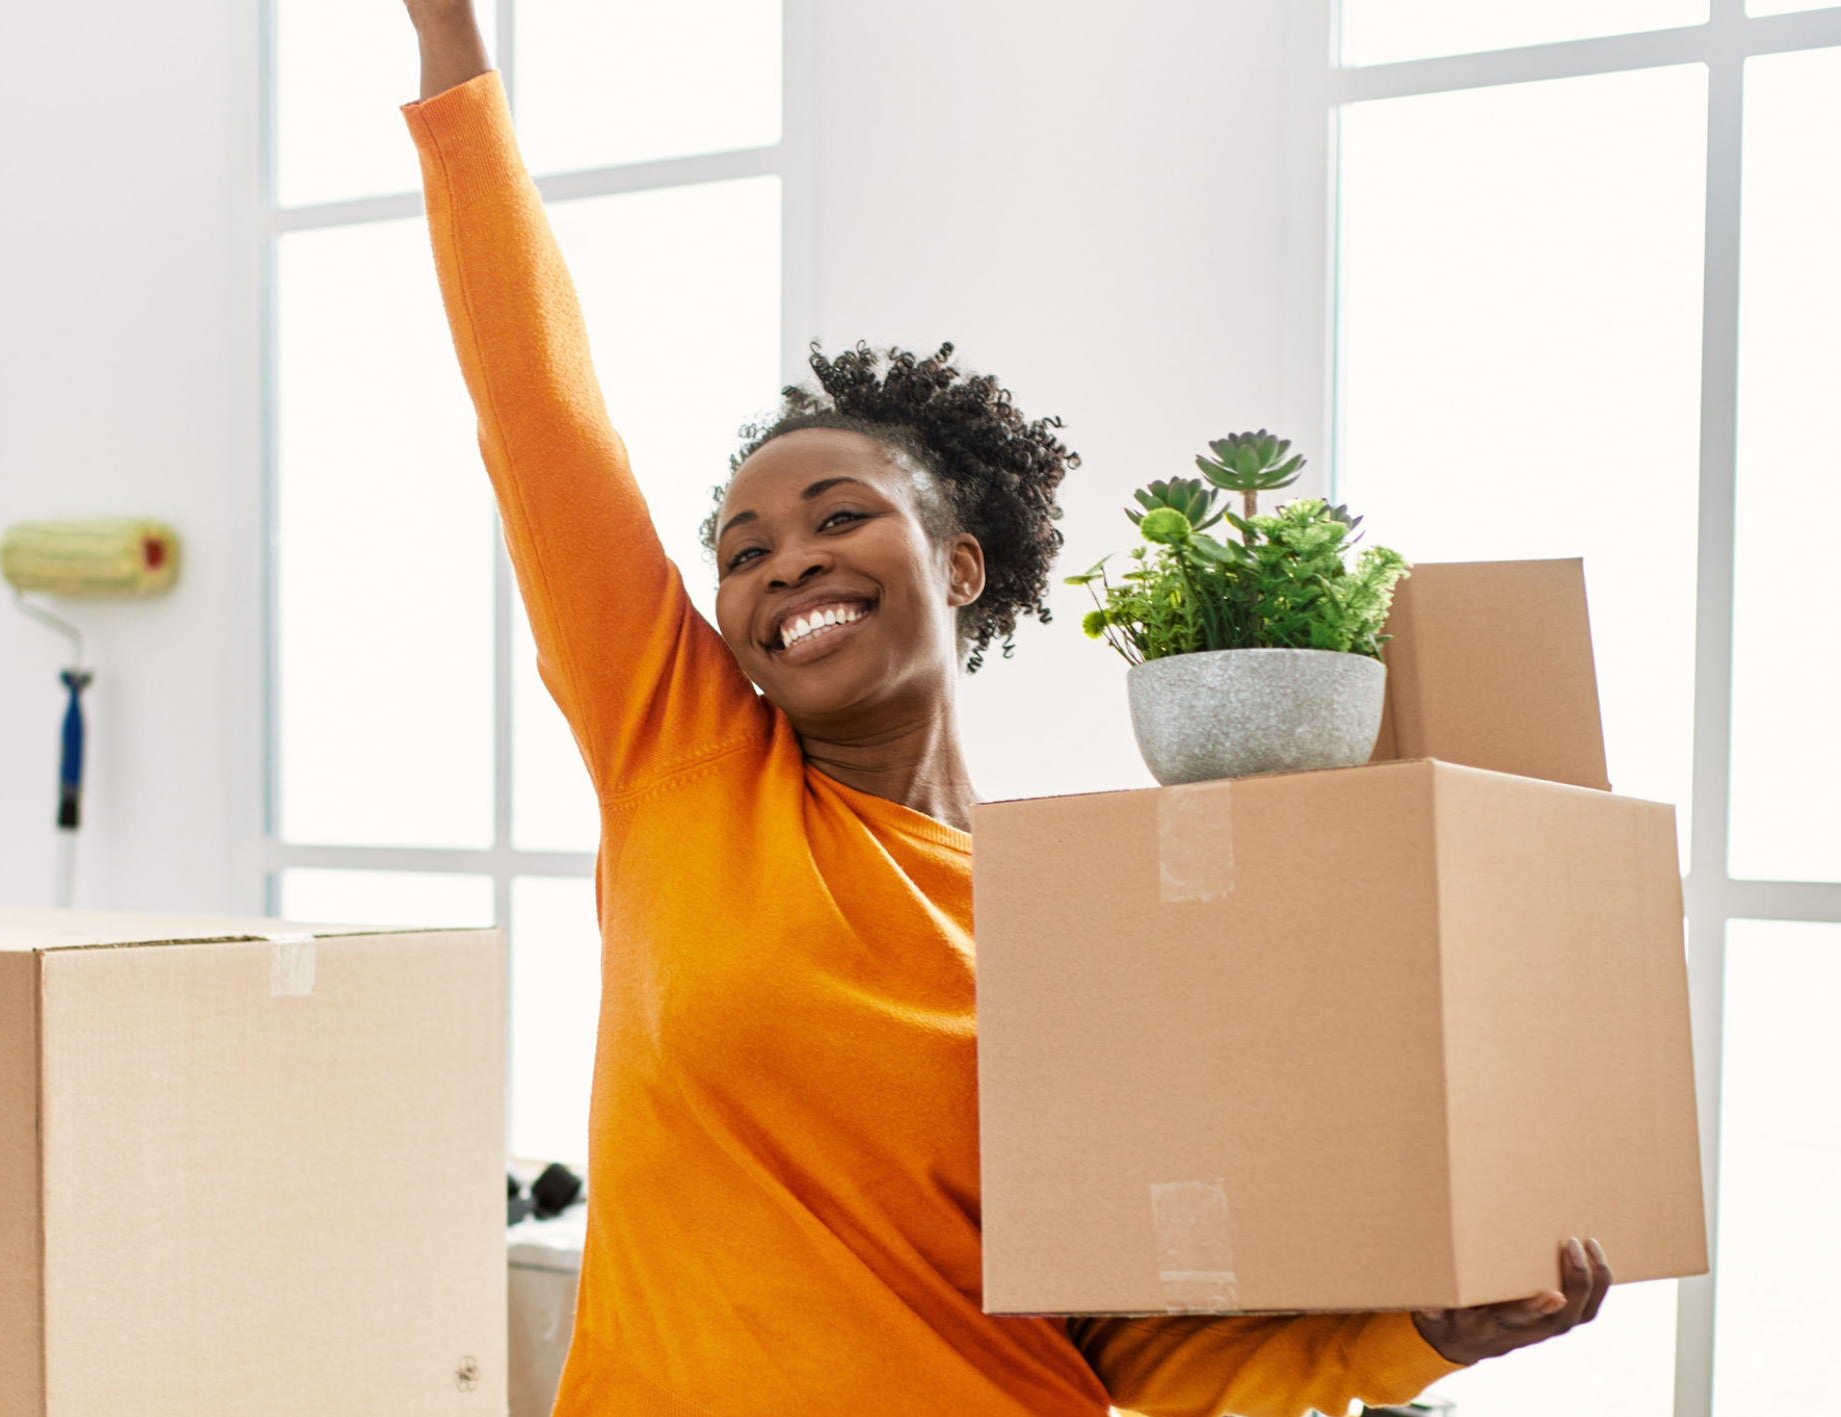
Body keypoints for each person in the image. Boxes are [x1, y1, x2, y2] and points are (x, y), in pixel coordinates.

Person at [394, 3, 1611, 1410]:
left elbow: (1131, 1342)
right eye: (741, 551)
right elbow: (542, 418)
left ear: (961, 563)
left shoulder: (1081, 922)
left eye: (838, 515)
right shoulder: (680, 766)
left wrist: (1423, 1340)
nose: (785, 557)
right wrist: (453, 45)